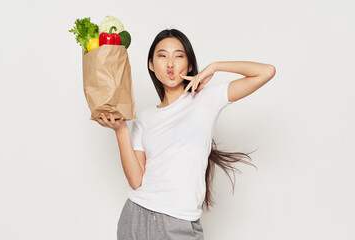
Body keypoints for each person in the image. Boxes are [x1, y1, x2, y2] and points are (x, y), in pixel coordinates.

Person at [95, 28, 276, 240]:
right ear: (151, 65)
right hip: (139, 215)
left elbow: (267, 71)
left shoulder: (206, 99)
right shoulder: (145, 117)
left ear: (189, 64)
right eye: (162, 56)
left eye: (179, 56)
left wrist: (215, 67)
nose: (170, 63)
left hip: (184, 220)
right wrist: (121, 130)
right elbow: (136, 180)